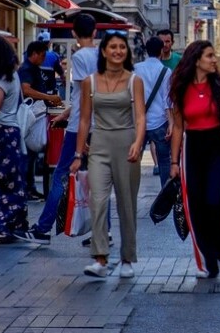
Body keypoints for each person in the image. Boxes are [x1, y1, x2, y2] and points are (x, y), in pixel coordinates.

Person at [168, 40, 220, 279]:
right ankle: (209, 261)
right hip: (193, 147)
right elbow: (177, 127)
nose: (214, 60)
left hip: (216, 145)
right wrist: (174, 162)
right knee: (197, 207)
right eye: (209, 56)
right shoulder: (180, 87)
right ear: (196, 60)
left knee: (214, 201)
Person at [70, 31, 146, 279]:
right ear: (103, 51)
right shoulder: (90, 81)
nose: (118, 51)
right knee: (98, 201)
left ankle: (127, 259)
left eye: (122, 47)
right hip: (99, 144)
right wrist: (78, 153)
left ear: (127, 52)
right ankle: (100, 258)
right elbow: (83, 120)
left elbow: (141, 116)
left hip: (127, 144)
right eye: (112, 47)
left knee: (127, 204)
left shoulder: (135, 80)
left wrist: (138, 141)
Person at [28, 14, 98, 244]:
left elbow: (83, 97)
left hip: (79, 126)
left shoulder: (79, 58)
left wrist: (72, 117)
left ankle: (43, 228)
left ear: (75, 34)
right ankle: (102, 231)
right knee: (99, 178)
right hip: (96, 125)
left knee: (61, 175)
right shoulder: (102, 56)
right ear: (95, 32)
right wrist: (67, 114)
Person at [0, 35, 38, 245]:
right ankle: (14, 225)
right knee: (11, 182)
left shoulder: (1, 79)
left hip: (1, 135)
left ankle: (4, 227)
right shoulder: (12, 75)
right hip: (10, 134)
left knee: (0, 182)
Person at [18, 40, 63, 201]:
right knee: (28, 154)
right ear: (34, 54)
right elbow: (26, 89)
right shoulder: (26, 69)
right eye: (42, 55)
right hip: (30, 118)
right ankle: (26, 188)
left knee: (32, 154)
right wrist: (48, 97)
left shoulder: (34, 68)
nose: (44, 59)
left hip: (37, 115)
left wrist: (49, 100)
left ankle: (29, 187)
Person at [134, 36, 173, 188]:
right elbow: (167, 100)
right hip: (160, 122)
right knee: (164, 161)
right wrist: (171, 123)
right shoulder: (166, 71)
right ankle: (165, 193)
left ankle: (132, 190)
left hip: (139, 122)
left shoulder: (136, 69)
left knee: (135, 159)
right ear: (161, 51)